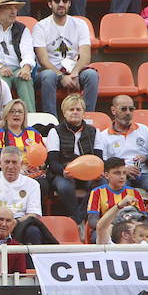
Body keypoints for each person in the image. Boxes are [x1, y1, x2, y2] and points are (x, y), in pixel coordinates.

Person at [32, 0, 99, 116]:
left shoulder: (80, 24)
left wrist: (74, 73)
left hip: (73, 71)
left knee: (92, 75)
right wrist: (61, 76)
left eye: (65, 1)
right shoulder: (40, 27)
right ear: (50, 4)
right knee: (49, 75)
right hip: (50, 73)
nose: (61, 4)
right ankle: (51, 121)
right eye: (57, 1)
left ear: (69, 4)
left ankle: (87, 118)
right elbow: (43, 60)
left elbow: (85, 57)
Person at [46, 93, 105, 222]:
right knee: (64, 186)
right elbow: (53, 162)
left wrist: (98, 172)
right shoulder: (55, 132)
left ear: (83, 112)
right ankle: (78, 218)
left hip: (88, 173)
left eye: (78, 109)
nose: (75, 112)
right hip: (64, 172)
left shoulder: (94, 132)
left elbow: (99, 158)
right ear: (64, 113)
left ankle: (78, 216)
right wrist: (63, 171)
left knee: (102, 184)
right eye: (71, 109)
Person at [0, 146, 43, 244]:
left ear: (21, 164)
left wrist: (13, 224)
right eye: (7, 162)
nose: (10, 166)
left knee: (33, 232)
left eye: (14, 162)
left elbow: (33, 215)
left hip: (19, 226)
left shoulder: (33, 184)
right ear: (0, 163)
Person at [0, 99, 46, 198]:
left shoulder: (34, 133)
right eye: (12, 111)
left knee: (43, 184)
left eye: (20, 112)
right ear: (6, 115)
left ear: (24, 116)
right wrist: (19, 168)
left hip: (32, 174)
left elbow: (43, 159)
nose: (16, 114)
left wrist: (37, 166)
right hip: (9, 172)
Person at [100, 95, 148, 195]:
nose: (128, 112)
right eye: (123, 109)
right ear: (113, 110)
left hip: (144, 174)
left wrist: (146, 158)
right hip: (119, 176)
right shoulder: (104, 136)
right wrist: (123, 170)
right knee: (120, 190)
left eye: (131, 109)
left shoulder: (143, 129)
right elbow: (104, 164)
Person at [86, 157, 146, 242]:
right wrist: (109, 226)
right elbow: (92, 221)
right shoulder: (97, 192)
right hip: (107, 229)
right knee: (97, 235)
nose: (122, 177)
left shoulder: (134, 192)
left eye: (124, 173)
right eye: (117, 173)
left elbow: (144, 218)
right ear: (106, 175)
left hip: (131, 231)